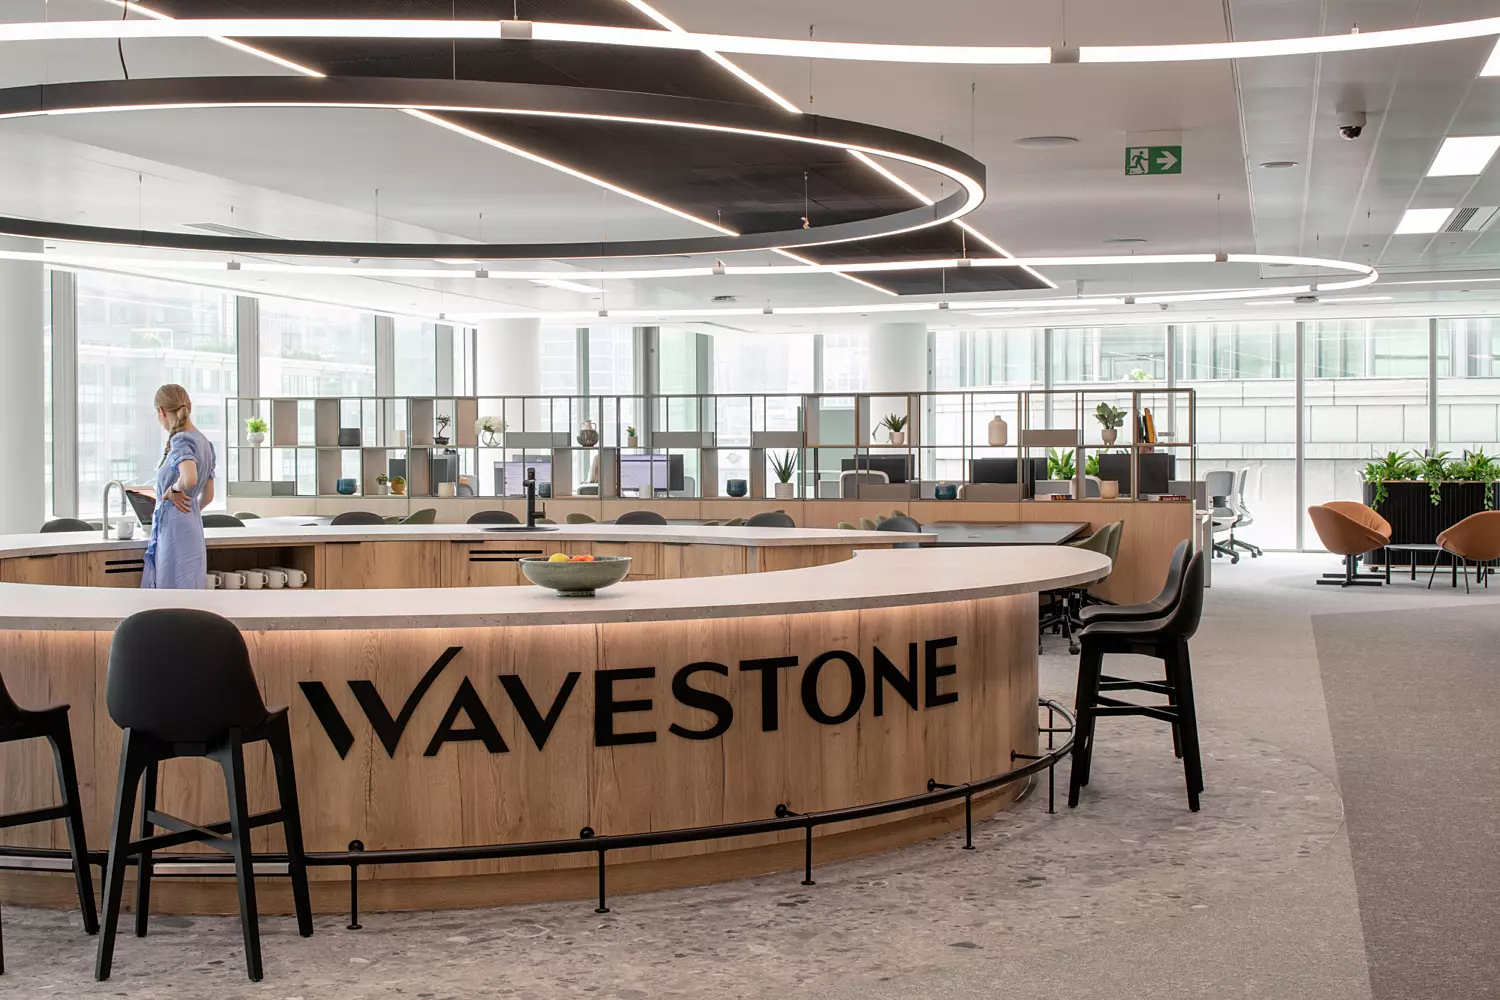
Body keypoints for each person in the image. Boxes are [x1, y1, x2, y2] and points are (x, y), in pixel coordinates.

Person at [141, 384, 216, 589]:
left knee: (171, 591)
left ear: (162, 411)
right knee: (190, 589)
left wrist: (173, 491)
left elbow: (189, 478)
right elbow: (208, 496)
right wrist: (190, 511)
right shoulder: (205, 443)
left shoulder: (181, 440)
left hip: (175, 530)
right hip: (191, 525)